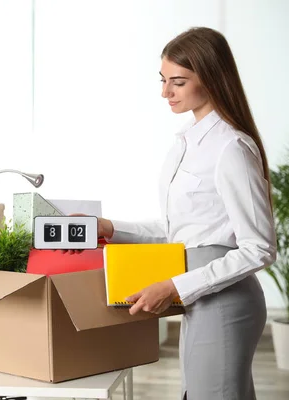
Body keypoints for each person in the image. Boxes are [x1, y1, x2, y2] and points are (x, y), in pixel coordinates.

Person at [97, 27, 277, 400]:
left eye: (177, 82)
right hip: (202, 296)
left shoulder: (231, 148)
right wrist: (112, 228)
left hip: (225, 302)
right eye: (163, 81)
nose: (165, 92)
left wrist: (174, 286)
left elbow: (259, 248)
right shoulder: (188, 141)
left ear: (210, 77)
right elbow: (177, 230)